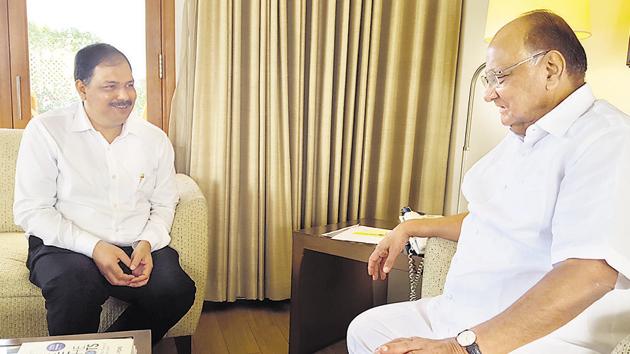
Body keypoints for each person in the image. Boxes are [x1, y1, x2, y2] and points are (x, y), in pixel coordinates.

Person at [347, 10, 630, 354]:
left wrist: (462, 347)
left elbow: (590, 271)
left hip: (538, 336)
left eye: (499, 77)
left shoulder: (607, 139)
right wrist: (413, 228)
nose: (489, 94)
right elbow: (487, 220)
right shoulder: (524, 136)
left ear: (551, 69)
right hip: (462, 314)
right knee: (367, 330)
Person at [13, 43, 196, 345]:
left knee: (176, 290)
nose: (124, 96)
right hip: (66, 247)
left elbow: (163, 203)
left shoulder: (154, 139)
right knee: (74, 287)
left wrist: (148, 243)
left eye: (129, 85)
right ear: (82, 88)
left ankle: (107, 349)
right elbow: (32, 210)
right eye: (110, 86)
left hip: (134, 243)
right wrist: (95, 247)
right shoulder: (46, 130)